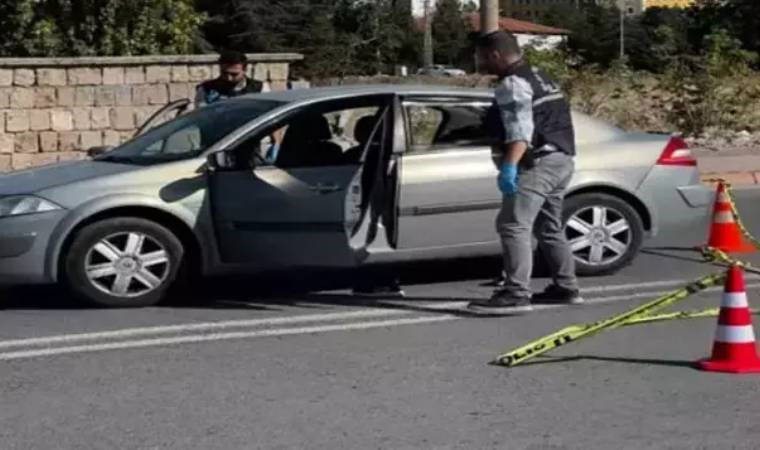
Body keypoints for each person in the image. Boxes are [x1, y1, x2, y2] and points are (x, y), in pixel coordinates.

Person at [467, 30, 583, 314]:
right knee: (548, 226)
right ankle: (566, 287)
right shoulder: (540, 76)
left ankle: (516, 293)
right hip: (561, 158)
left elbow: (521, 130)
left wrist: (509, 166)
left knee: (513, 225)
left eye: (481, 57)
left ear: (495, 55)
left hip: (537, 164)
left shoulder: (513, 83)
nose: (480, 63)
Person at [195, 50, 266, 108]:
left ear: (245, 70)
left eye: (234, 74)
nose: (229, 78)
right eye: (224, 73)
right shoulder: (206, 89)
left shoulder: (260, 89)